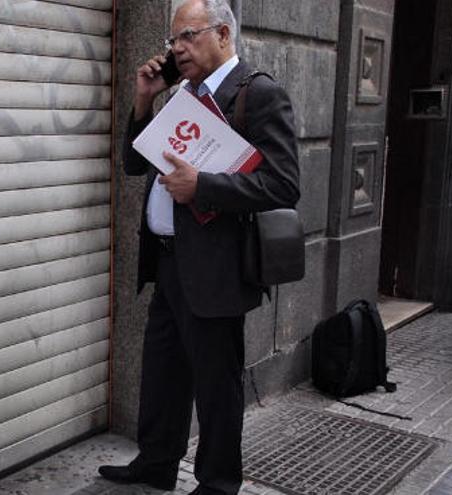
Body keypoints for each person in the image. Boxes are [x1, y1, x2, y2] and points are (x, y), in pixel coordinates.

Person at [97, 0, 300, 493]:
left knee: (216, 385)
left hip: (216, 270)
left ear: (224, 34)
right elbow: (133, 163)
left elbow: (284, 184)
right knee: (162, 371)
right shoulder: (181, 94)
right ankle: (157, 463)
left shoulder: (258, 94)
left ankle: (217, 483)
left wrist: (203, 187)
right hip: (168, 263)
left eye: (188, 36)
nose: (177, 49)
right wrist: (144, 100)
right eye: (173, 40)